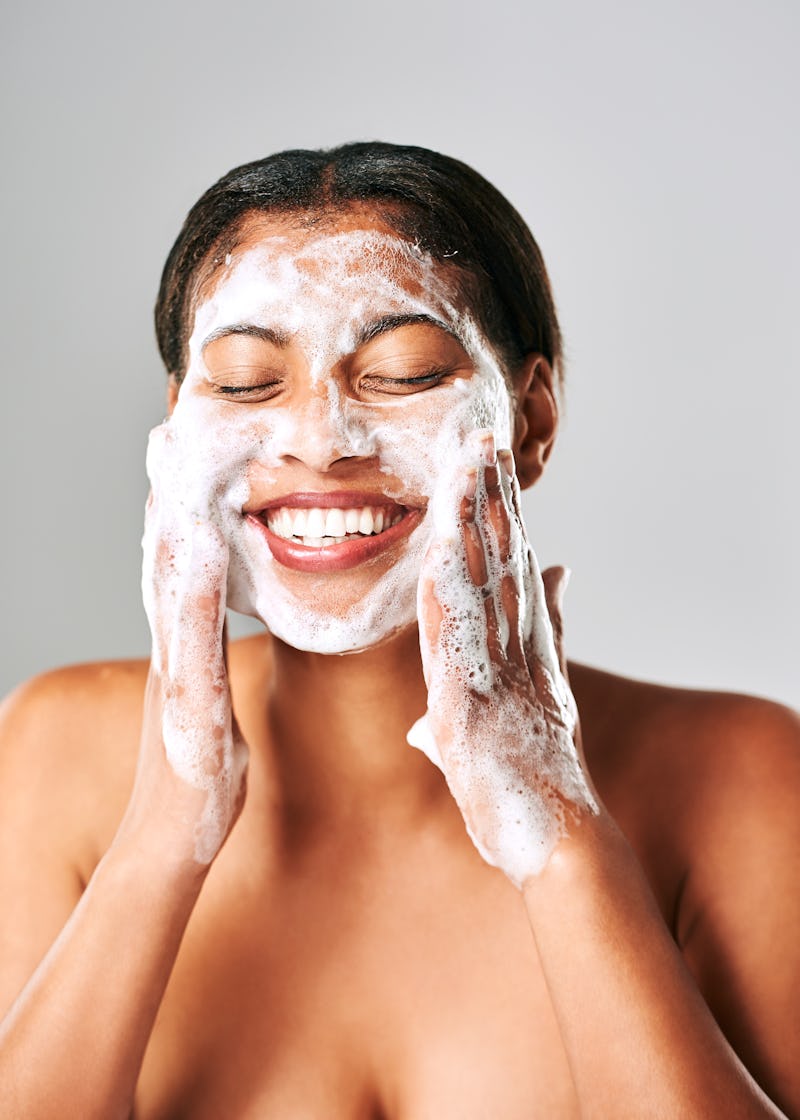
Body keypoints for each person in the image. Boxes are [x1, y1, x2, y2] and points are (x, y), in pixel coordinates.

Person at [0, 141, 797, 1120]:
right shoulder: (51, 746)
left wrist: (558, 834)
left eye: (403, 371)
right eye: (247, 382)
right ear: (175, 431)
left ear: (531, 419)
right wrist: (165, 830)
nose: (319, 439)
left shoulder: (742, 772)